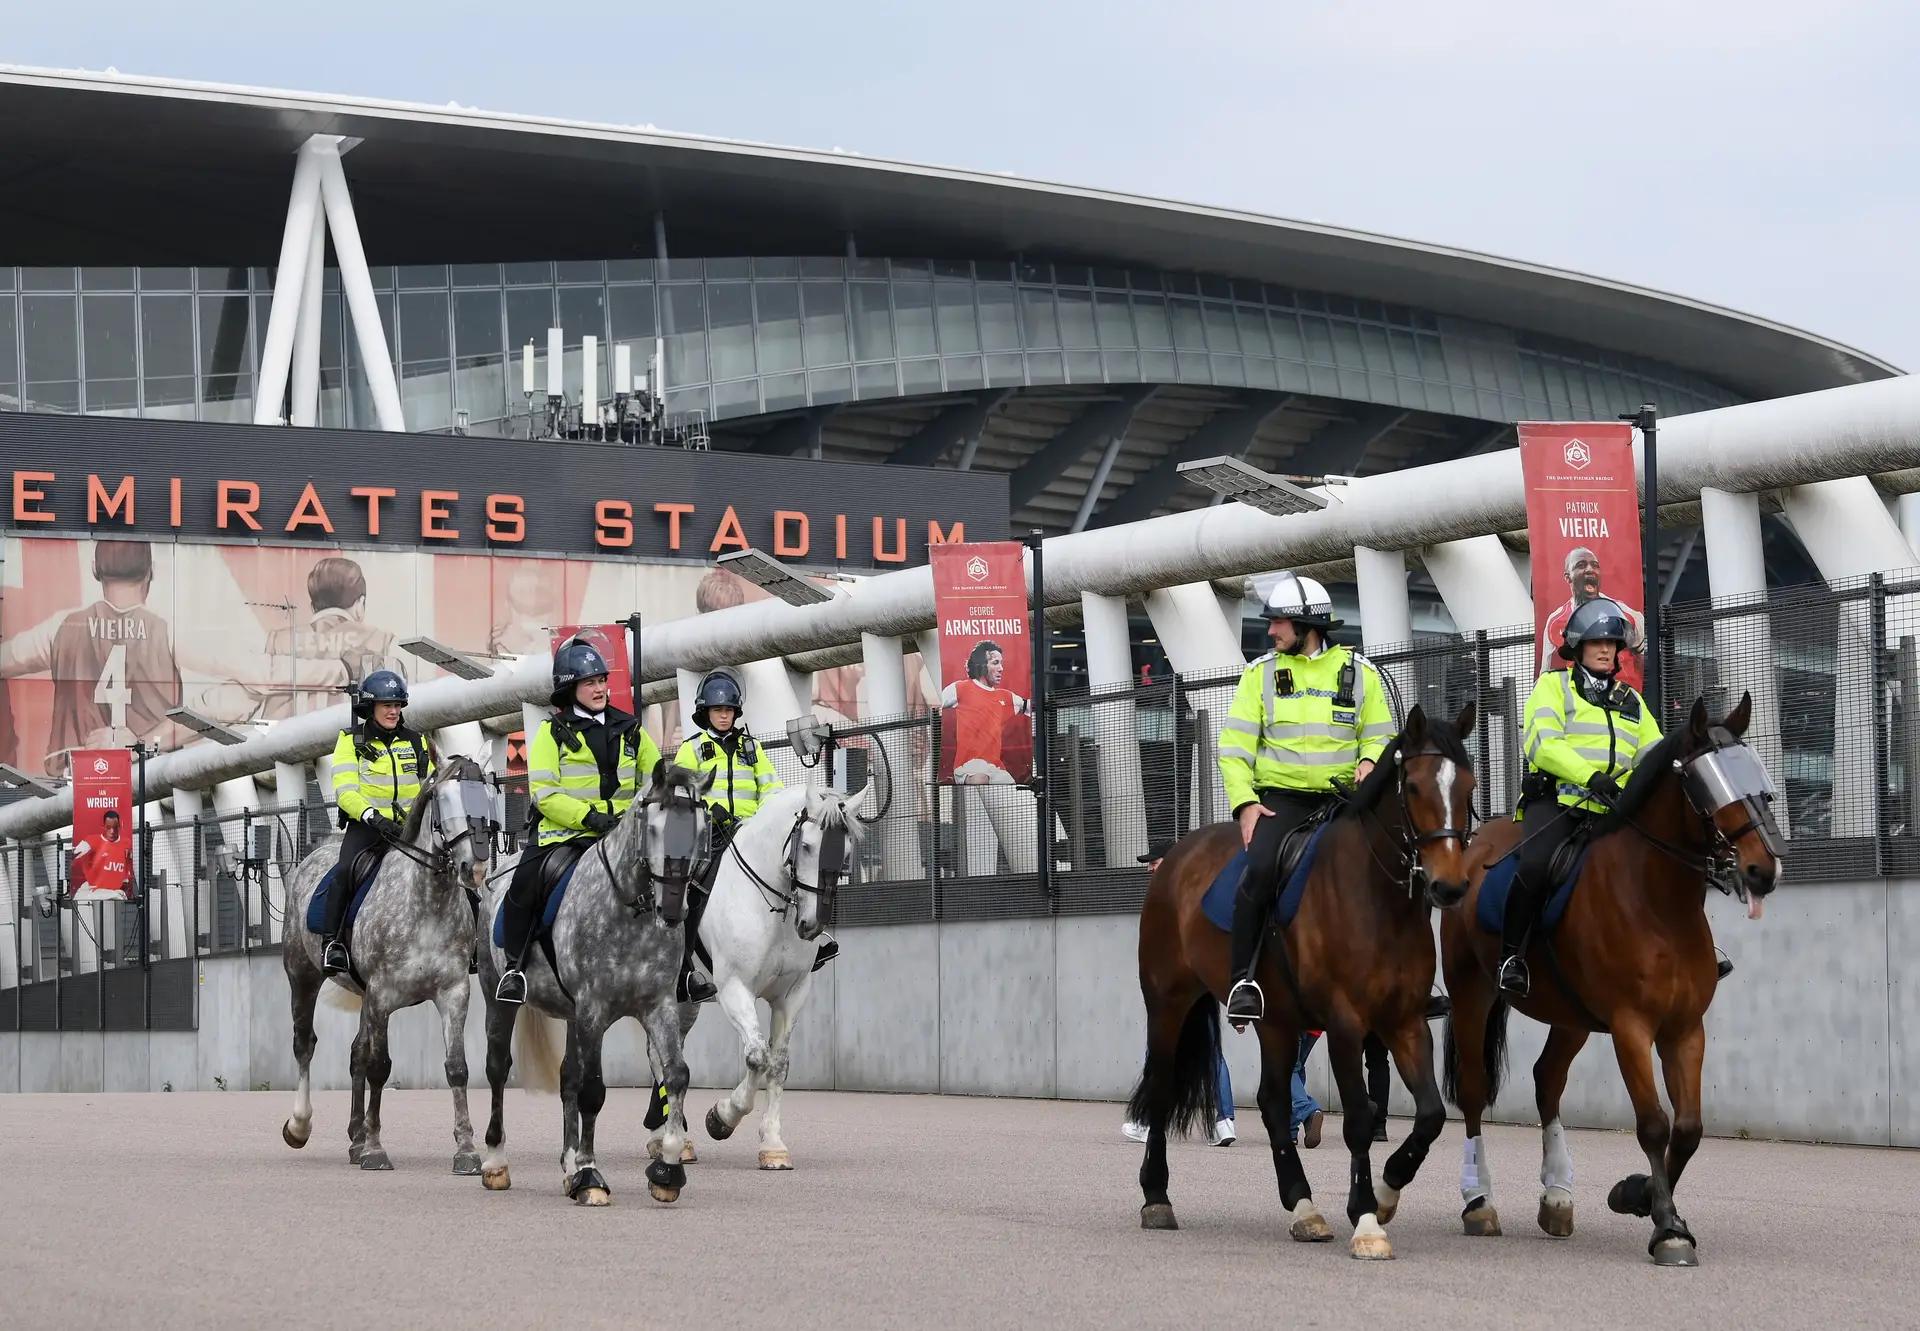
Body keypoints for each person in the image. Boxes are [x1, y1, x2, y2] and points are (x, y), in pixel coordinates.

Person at [1218, 572, 1393, 1025]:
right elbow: (1234, 749)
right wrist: (1244, 804)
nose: (1270, 630)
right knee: (1258, 872)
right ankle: (1244, 982)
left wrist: (1372, 762)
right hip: (1283, 803)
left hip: (1344, 803)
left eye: (1278, 622)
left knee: (1399, 865)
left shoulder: (1361, 673)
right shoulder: (1259, 675)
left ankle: (1404, 977)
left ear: (1307, 626)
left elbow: (1381, 735)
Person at [1501, 597, 1662, 997]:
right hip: (1558, 805)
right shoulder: (1552, 687)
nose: (1606, 649)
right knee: (1536, 866)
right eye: (1596, 643)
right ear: (1577, 649)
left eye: (1611, 643)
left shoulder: (1632, 702)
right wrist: (1590, 776)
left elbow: (1653, 753)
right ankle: (1511, 958)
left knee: (1663, 861)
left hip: (1613, 810)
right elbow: (1544, 744)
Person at [496, 639, 671, 1005]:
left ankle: (681, 968)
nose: (599, 688)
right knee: (525, 885)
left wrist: (634, 818)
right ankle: (514, 967)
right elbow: (543, 793)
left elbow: (656, 779)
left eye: (602, 680)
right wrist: (589, 817)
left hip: (622, 837)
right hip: (565, 836)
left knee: (677, 878)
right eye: (589, 682)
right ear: (570, 688)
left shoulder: (632, 729)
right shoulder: (550, 732)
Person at [673, 669, 836, 976]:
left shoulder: (752, 747)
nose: (724, 716)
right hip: (709, 833)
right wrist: (709, 809)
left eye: (729, 710)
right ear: (705, 712)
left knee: (792, 872)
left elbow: (771, 788)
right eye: (718, 710)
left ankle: (805, 949)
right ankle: (684, 965)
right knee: (689, 886)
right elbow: (683, 791)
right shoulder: (692, 748)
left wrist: (763, 820)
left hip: (749, 830)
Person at [1123, 843, 1235, 1146]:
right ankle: (1224, 1122)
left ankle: (1148, 1120)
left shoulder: (1170, 896)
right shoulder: (1199, 890)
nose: (1149, 868)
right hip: (1203, 978)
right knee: (1211, 1051)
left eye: (1154, 862)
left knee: (1158, 1047)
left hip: (1174, 985)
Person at [321, 670, 432, 976]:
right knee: (344, 872)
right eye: (386, 705)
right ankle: (332, 944)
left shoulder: (417, 741)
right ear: (371, 708)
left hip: (411, 830)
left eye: (398, 704)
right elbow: (345, 791)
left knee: (446, 868)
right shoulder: (349, 741)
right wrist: (373, 816)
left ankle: (470, 941)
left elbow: (431, 785)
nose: (394, 710)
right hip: (368, 827)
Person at [1539, 547, 1647, 684]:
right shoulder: (1555, 621)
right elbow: (1545, 675)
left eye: (1595, 565)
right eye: (1581, 565)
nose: (1590, 570)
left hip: (1623, 699)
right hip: (1580, 699)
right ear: (1568, 577)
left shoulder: (1626, 616)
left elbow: (1643, 660)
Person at [941, 640, 1032, 784]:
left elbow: (1032, 707)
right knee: (981, 779)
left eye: (1001, 663)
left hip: (995, 768)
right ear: (982, 665)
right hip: (969, 765)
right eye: (995, 663)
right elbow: (933, 705)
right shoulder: (960, 688)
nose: (1001, 668)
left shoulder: (1006, 696)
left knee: (1022, 801)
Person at [72, 808, 133, 901]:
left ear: (119, 826)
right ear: (103, 826)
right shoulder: (90, 841)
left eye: (115, 828)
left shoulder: (126, 843)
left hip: (114, 892)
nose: (112, 832)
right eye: (108, 828)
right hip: (94, 891)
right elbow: (73, 856)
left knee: (116, 897)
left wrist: (126, 883)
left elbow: (127, 867)